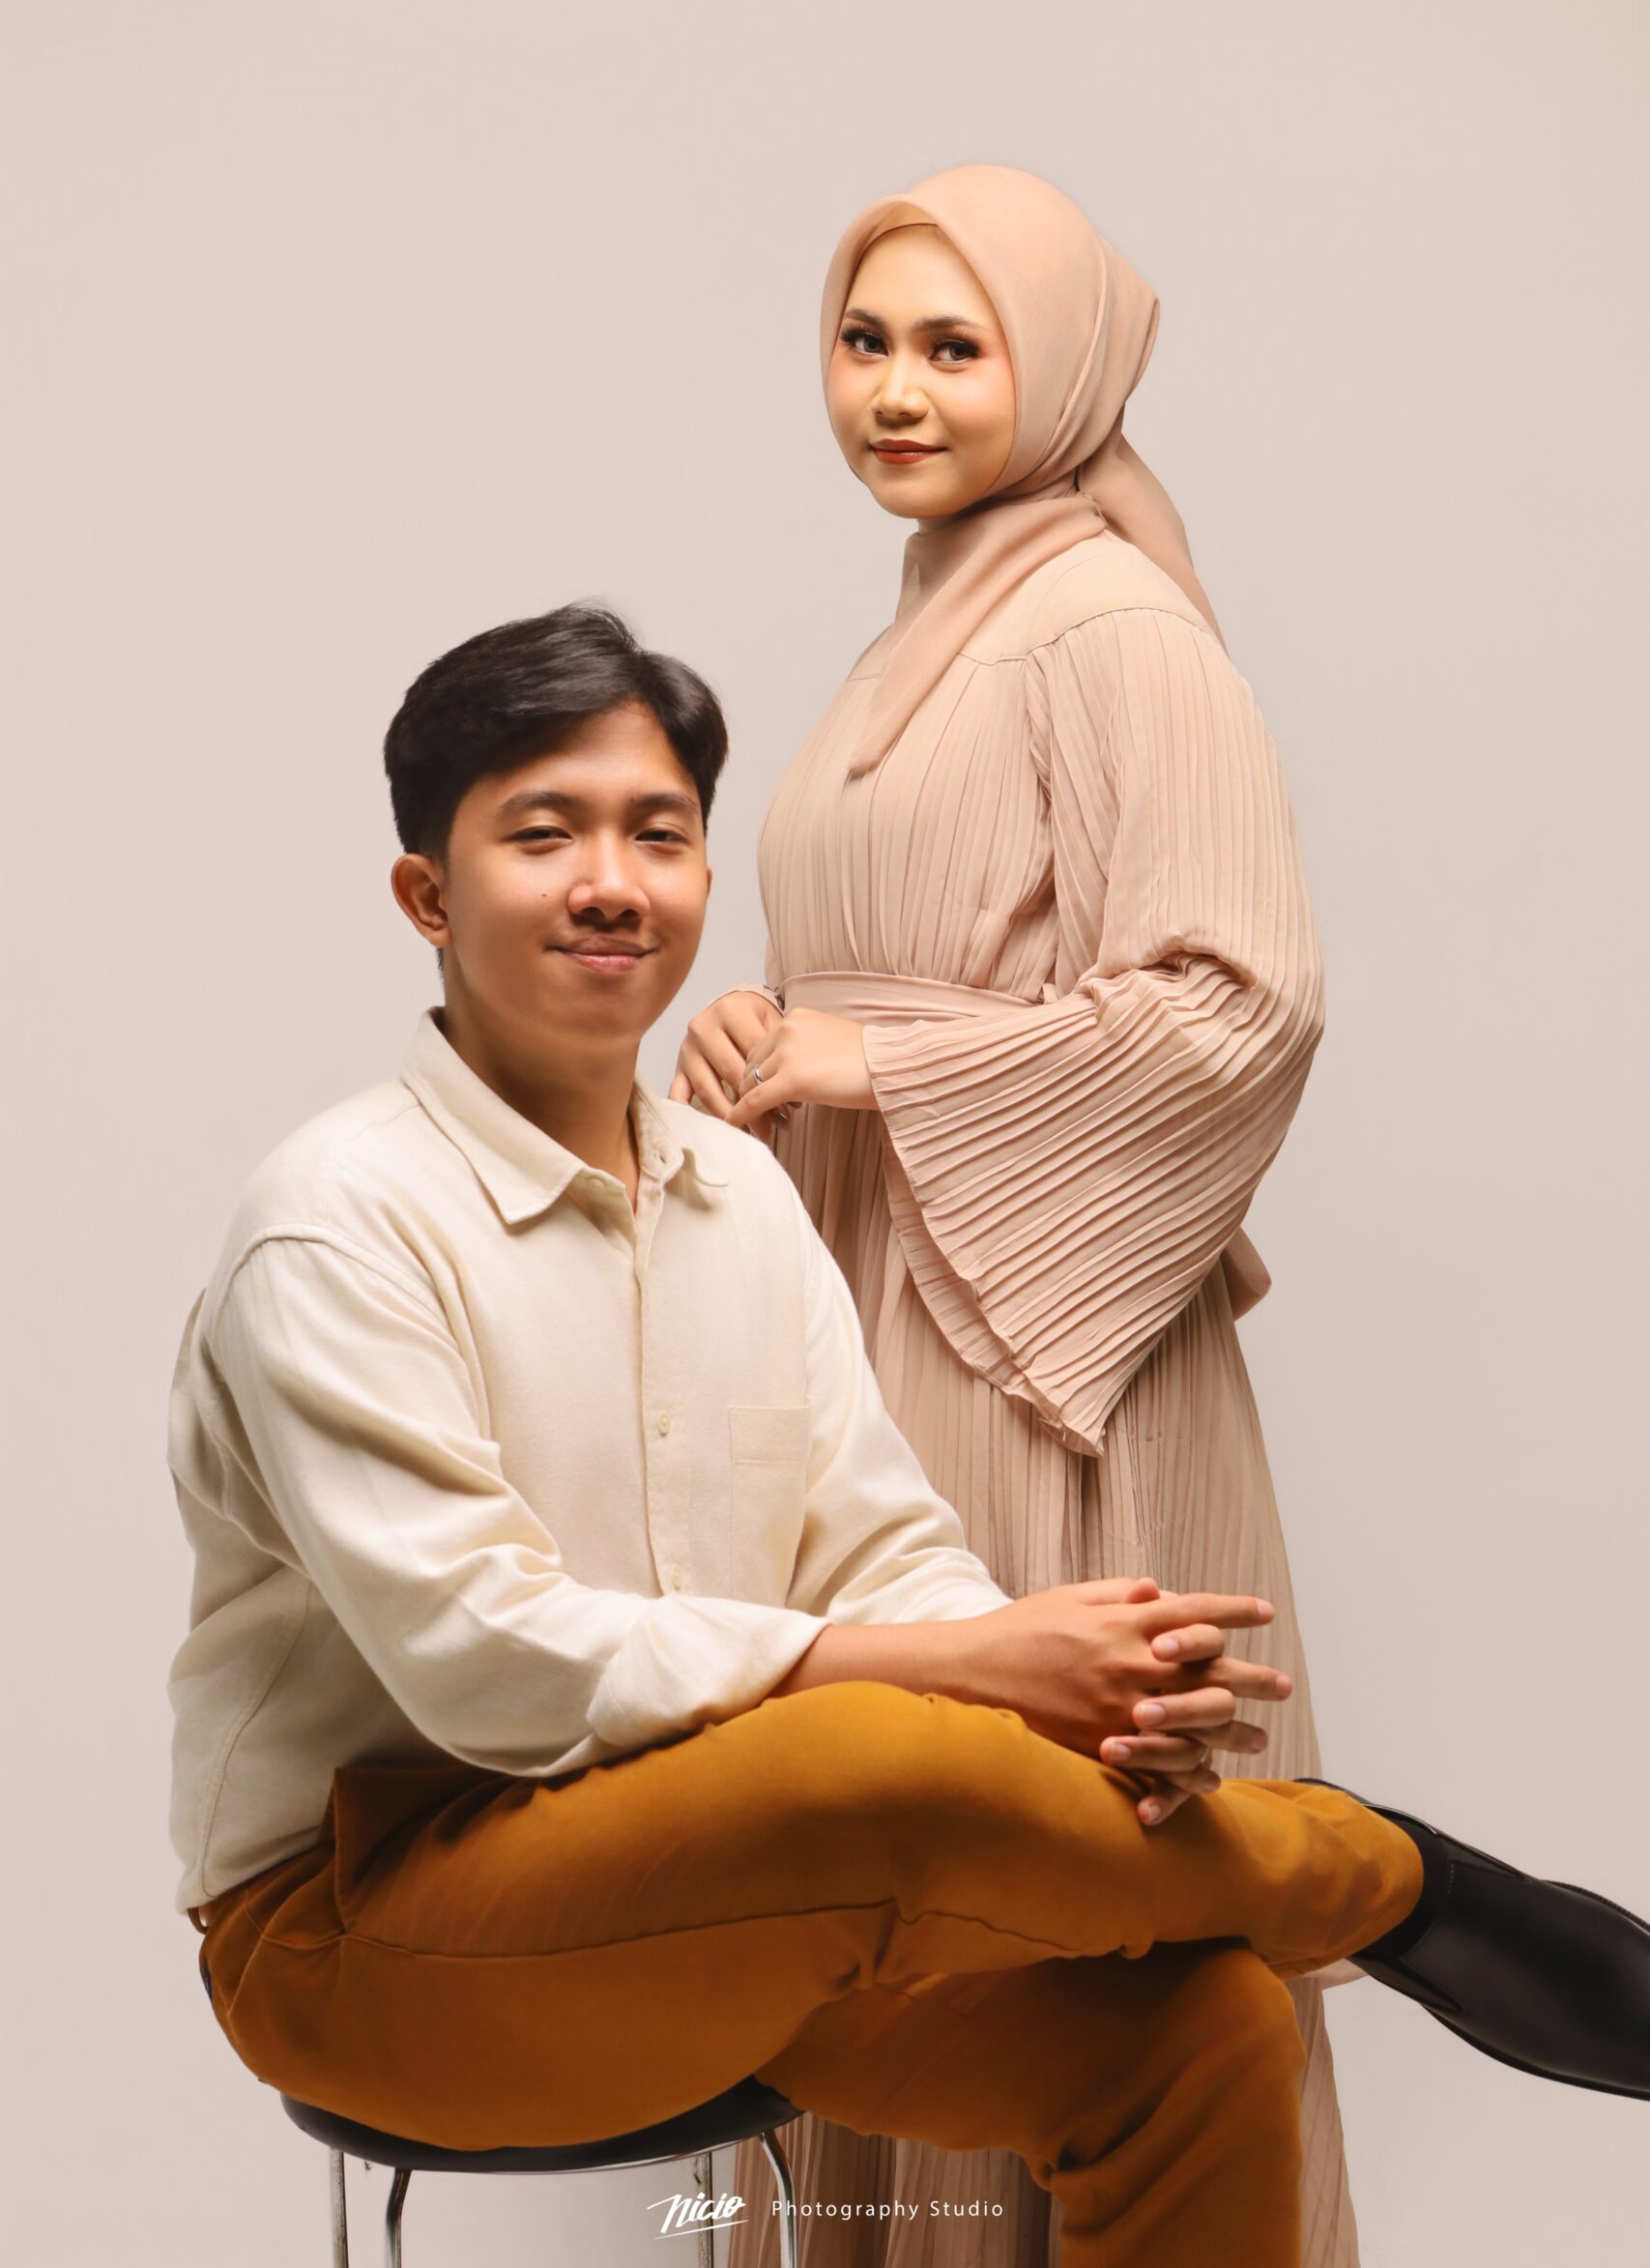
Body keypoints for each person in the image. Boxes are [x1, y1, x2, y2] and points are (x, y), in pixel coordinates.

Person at [168, 606, 1648, 2268]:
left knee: (1199, 2021)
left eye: (658, 833)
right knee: (870, 1754)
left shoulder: (739, 1197)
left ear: (705, 874)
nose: (611, 883)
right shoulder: (336, 1225)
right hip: (367, 1933)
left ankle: (1338, 1889)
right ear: (428, 895)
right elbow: (489, 1662)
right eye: (543, 834)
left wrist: (1071, 1713)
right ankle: (1389, 1882)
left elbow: (881, 1550)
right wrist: (964, 1675)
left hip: (735, 1881)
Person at [667, 161, 1353, 2267]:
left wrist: (879, 1062)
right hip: (877, 1304)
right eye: (862, 339)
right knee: (895, 1857)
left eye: (953, 347)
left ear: (1053, 370)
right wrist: (760, 1024)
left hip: (1022, 1334)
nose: (893, 389)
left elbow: (1240, 1001)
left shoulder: (1105, 625)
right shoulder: (935, 620)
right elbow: (899, 962)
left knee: (1027, 1872)